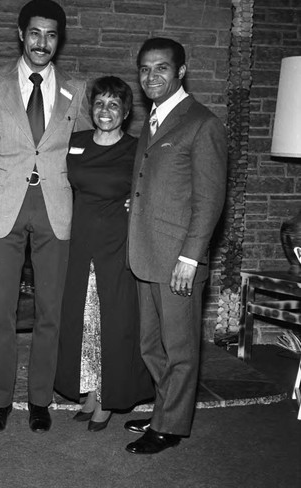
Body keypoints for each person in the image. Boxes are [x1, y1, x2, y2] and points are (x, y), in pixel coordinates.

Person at [0, 0, 91, 433]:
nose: (42, 43)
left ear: (59, 40)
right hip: (4, 206)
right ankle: (1, 401)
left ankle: (40, 399)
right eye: (35, 33)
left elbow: (86, 152)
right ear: (20, 34)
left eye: (51, 35)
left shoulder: (75, 88)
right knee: (1, 310)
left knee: (50, 310)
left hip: (57, 209)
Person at [124, 37, 228, 454]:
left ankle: (170, 427)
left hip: (178, 260)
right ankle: (165, 409)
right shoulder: (151, 120)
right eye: (145, 69)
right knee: (151, 344)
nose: (152, 77)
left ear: (181, 71)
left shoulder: (202, 123)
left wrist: (190, 257)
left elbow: (210, 199)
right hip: (146, 253)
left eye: (161, 68)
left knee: (180, 348)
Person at [54, 76, 153, 432]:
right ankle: (91, 391)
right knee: (85, 319)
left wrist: (138, 202)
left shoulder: (137, 148)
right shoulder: (75, 142)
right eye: (99, 104)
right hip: (79, 243)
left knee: (114, 320)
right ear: (90, 109)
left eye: (114, 104)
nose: (105, 111)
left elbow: (156, 185)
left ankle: (110, 397)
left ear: (126, 112)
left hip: (116, 244)